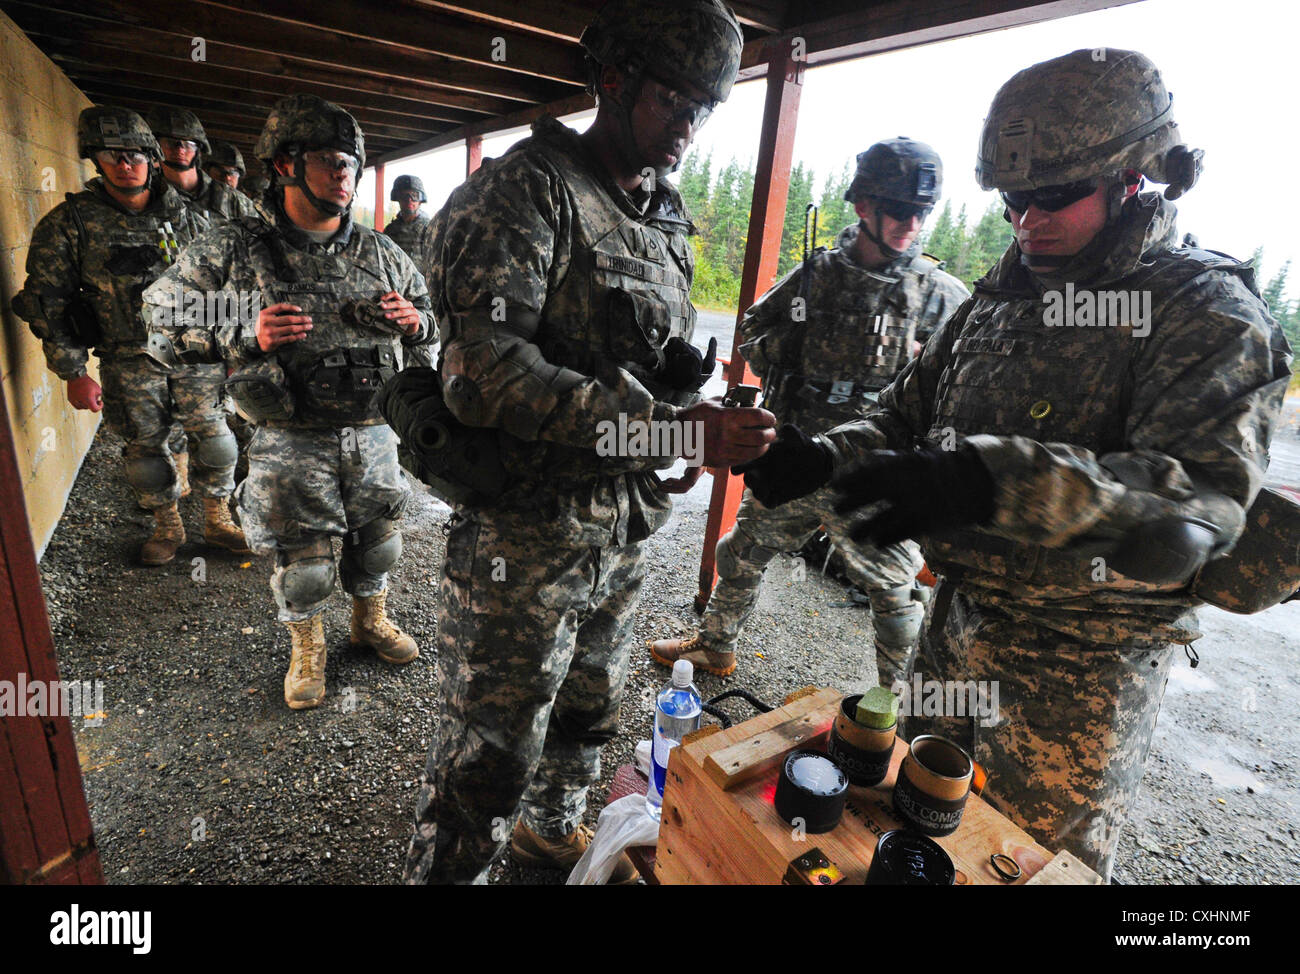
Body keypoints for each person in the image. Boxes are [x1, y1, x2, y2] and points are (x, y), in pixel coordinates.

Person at [735, 49, 1292, 881]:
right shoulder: (999, 300)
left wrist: (992, 480)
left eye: (1053, 197)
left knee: (1024, 867)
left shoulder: (1203, 312)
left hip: (1077, 672)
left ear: (1135, 177)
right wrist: (824, 455)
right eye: (1012, 200)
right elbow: (905, 416)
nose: (1026, 220)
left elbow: (1199, 503)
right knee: (906, 841)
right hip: (955, 628)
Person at [397, 0, 775, 884]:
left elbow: (634, 358)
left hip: (624, 528)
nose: (688, 125)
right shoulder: (527, 189)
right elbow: (481, 374)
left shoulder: (663, 214)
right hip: (525, 540)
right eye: (674, 99)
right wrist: (675, 428)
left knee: (588, 712)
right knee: (485, 758)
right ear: (614, 80)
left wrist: (684, 412)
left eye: (703, 108)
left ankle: (553, 834)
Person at [144, 94, 434, 710]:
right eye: (329, 161)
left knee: (379, 541)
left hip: (374, 431)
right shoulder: (235, 246)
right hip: (290, 436)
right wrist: (242, 331)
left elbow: (434, 322)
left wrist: (417, 325)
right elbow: (158, 322)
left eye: (351, 164)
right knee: (304, 562)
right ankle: (307, 647)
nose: (343, 175)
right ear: (284, 166)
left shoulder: (382, 252)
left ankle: (370, 620)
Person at [648, 138, 969, 683]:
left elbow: (960, 391)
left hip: (874, 474)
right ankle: (714, 644)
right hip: (796, 457)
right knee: (742, 553)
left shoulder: (939, 294)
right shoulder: (818, 276)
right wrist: (798, 344)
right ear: (863, 205)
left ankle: (902, 710)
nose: (911, 224)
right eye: (899, 209)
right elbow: (752, 331)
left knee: (896, 596)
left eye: (922, 212)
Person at [11, 106, 247, 564]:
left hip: (196, 354)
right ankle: (167, 526)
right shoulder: (70, 224)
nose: (125, 164)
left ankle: (218, 519)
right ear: (94, 159)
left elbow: (234, 286)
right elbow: (48, 301)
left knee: (215, 437)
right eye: (112, 154)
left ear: (152, 158)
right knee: (144, 447)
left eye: (135, 154)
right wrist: (72, 372)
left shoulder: (195, 220)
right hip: (127, 357)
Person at [146, 107, 259, 224]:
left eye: (189, 144)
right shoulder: (145, 198)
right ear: (156, 146)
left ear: (199, 149)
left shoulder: (235, 201)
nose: (180, 150)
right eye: (170, 143)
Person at [382, 175, 430, 260]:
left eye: (414, 195)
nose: (409, 200)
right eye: (404, 195)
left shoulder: (430, 229)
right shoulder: (390, 230)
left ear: (420, 200)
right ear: (397, 198)